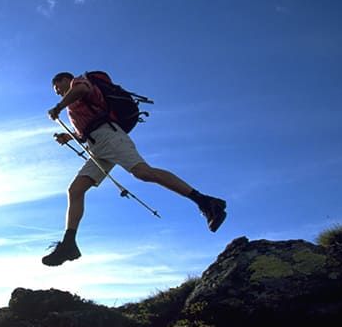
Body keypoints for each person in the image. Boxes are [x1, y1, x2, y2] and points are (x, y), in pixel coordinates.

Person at [43, 72, 227, 267]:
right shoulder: (74, 106)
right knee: (75, 190)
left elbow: (82, 89)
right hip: (97, 146)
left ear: (65, 80)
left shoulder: (78, 82)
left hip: (109, 137)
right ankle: (69, 243)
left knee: (143, 172)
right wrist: (69, 137)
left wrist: (59, 107)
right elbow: (86, 128)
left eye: (59, 89)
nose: (60, 94)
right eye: (57, 94)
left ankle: (206, 202)